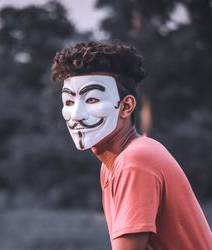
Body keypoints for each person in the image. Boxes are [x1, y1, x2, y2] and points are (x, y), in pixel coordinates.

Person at [51, 41, 212, 250]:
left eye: (91, 100)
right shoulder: (116, 163)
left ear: (126, 106)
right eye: (69, 103)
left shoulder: (134, 161)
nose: (76, 116)